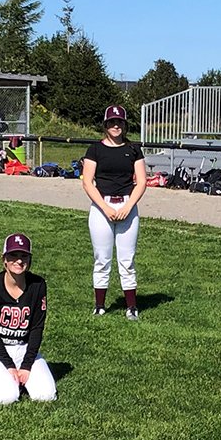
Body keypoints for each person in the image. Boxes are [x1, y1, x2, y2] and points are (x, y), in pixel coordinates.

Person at [81, 104, 147, 319]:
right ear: (105, 125)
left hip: (127, 205)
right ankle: (100, 305)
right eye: (112, 122)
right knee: (102, 257)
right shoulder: (95, 149)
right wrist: (106, 207)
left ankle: (131, 307)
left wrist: (128, 207)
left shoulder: (134, 149)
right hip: (102, 207)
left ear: (125, 125)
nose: (116, 125)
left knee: (127, 259)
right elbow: (88, 182)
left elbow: (142, 181)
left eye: (119, 122)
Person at [0, 233, 56, 405]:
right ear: (4, 259)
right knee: (6, 397)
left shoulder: (38, 285)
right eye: (13, 255)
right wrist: (10, 365)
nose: (19, 261)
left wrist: (26, 365)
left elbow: (37, 328)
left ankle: (20, 382)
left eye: (24, 256)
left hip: (24, 348)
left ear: (30, 259)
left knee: (46, 395)